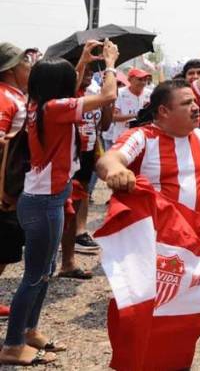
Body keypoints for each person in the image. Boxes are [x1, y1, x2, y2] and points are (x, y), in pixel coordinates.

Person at [0, 43, 119, 366]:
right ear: (61, 87)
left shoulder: (40, 103)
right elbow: (108, 96)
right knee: (35, 275)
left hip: (44, 199)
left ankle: (29, 330)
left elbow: (69, 88)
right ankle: (12, 345)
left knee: (45, 271)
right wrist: (109, 63)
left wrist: (80, 62)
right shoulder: (56, 109)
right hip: (44, 202)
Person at [96, 79, 200, 227]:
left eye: (194, 101)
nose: (196, 108)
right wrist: (116, 169)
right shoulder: (142, 137)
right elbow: (108, 160)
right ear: (163, 111)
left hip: (193, 239)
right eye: (186, 103)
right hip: (152, 240)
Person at [57, 42, 115, 279]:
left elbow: (105, 125)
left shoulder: (94, 97)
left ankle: (68, 261)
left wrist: (109, 101)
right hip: (65, 160)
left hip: (86, 156)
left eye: (92, 72)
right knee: (60, 210)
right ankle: (50, 259)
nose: (88, 76)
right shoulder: (65, 98)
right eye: (85, 72)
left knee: (78, 205)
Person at [0, 42, 33, 320]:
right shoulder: (5, 98)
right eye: (25, 64)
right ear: (11, 68)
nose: (29, 68)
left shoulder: (17, 96)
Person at [103, 67, 152, 146]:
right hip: (122, 139)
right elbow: (113, 117)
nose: (143, 82)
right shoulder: (119, 93)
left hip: (142, 139)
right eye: (140, 79)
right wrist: (136, 115)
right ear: (130, 80)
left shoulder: (150, 94)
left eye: (145, 80)